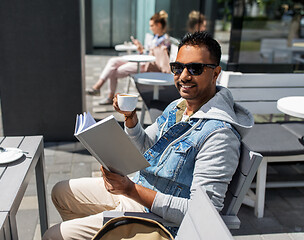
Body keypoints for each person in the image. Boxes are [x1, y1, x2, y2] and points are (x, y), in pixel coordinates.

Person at [43, 32, 254, 240]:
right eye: (178, 67)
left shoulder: (220, 135)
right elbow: (145, 147)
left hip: (158, 221)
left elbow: (202, 213)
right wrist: (131, 119)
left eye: (195, 68)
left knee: (54, 235)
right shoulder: (179, 107)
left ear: (216, 73)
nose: (184, 76)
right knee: (61, 192)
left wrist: (130, 189)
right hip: (137, 190)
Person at [86, 10, 171, 105]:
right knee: (112, 61)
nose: (150, 28)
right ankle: (98, 86)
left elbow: (157, 58)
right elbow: (148, 53)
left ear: (159, 25)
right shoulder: (155, 37)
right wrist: (141, 49)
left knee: (113, 71)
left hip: (146, 65)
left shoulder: (165, 41)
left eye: (152, 26)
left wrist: (144, 51)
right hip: (141, 60)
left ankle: (106, 95)